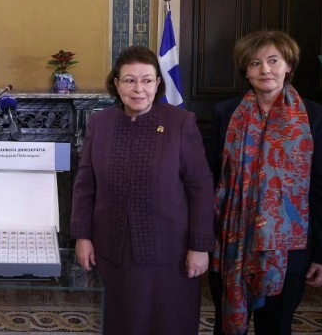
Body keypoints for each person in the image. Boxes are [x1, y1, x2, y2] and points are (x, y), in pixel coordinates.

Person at [70, 45, 215, 334]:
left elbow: (200, 187)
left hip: (169, 254)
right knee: (121, 323)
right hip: (114, 252)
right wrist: (82, 236)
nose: (139, 89)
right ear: (116, 83)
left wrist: (199, 246)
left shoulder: (180, 122)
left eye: (147, 80)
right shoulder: (100, 123)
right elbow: (85, 185)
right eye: (130, 80)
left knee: (168, 324)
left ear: (158, 83)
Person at [208, 30, 322, 335]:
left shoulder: (317, 117)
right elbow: (212, 177)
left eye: (273, 61)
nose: (265, 70)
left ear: (288, 65)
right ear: (246, 70)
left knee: (276, 328)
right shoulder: (225, 113)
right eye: (255, 63)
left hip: (289, 251)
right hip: (231, 244)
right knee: (225, 328)